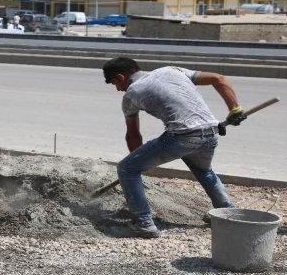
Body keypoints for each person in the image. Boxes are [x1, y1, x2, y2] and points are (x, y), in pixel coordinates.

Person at [102, 57, 246, 238]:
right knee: (204, 171)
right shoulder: (171, 70)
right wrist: (235, 109)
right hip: (211, 133)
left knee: (126, 168)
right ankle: (227, 214)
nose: (117, 89)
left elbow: (133, 134)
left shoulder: (131, 94)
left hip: (182, 137)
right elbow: (219, 78)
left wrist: (138, 163)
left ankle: (143, 224)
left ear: (120, 77)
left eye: (114, 84)